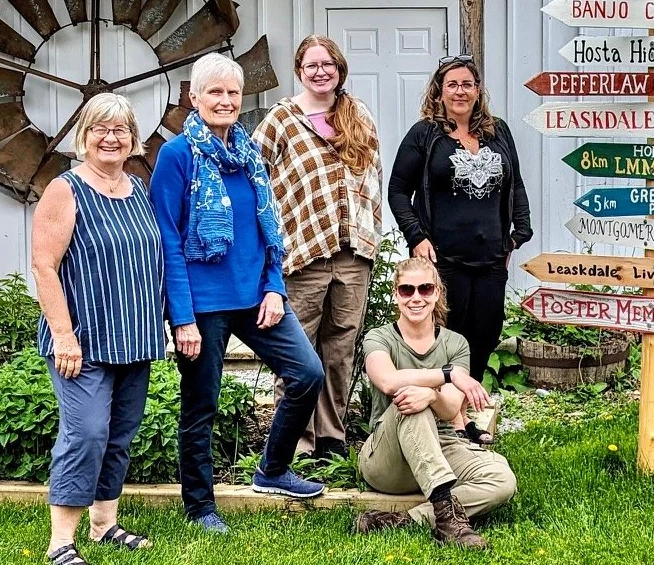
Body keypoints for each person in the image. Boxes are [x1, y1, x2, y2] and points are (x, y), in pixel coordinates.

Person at [150, 53, 327, 533]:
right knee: (201, 404)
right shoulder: (177, 155)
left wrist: (274, 288)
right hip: (203, 306)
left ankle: (272, 470)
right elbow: (167, 237)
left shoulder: (248, 152)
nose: (226, 100)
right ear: (195, 98)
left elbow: (268, 226)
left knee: (307, 372)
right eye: (215, 92)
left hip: (256, 297)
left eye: (232, 93)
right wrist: (181, 317)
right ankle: (201, 507)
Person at [31, 93, 166, 565]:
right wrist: (63, 336)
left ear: (133, 139)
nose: (111, 138)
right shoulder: (65, 190)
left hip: (133, 337)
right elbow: (45, 268)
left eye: (121, 130)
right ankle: (60, 542)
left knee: (119, 436)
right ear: (83, 137)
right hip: (82, 340)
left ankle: (104, 525)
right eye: (99, 130)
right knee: (85, 433)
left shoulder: (138, 190)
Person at [387, 54, 532, 444]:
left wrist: (520, 233)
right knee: (448, 335)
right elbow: (398, 191)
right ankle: (450, 418)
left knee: (484, 333)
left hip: (490, 259)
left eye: (467, 84)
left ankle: (465, 410)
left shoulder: (498, 132)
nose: (460, 91)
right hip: (443, 260)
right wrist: (417, 236)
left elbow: (515, 184)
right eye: (452, 84)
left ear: (478, 90)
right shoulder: (425, 135)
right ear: (439, 91)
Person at [254, 35, 385, 461]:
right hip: (302, 253)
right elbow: (256, 176)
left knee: (340, 349)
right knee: (298, 351)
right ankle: (294, 442)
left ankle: (331, 439)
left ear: (339, 68)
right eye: (312, 65)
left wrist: (372, 231)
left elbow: (373, 177)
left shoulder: (357, 114)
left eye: (328, 64)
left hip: (352, 253)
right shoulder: (282, 119)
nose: (321, 71)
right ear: (299, 71)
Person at [352, 257, 516, 548]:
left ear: (438, 293)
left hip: (442, 448)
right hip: (390, 461)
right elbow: (389, 382)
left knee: (502, 479)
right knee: (410, 400)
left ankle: (406, 519)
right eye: (407, 290)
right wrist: (445, 376)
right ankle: (447, 519)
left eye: (425, 289)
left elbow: (451, 408)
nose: (416, 298)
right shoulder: (379, 337)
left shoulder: (455, 343)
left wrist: (433, 394)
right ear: (395, 294)